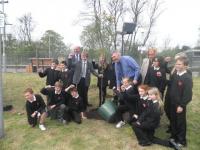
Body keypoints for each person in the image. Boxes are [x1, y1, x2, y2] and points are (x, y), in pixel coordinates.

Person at [169, 56, 193, 148]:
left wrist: (182, 105)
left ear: (185, 66)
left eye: (179, 64)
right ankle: (174, 137)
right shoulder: (175, 75)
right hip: (172, 103)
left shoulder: (187, 78)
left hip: (180, 105)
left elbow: (188, 95)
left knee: (180, 123)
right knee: (173, 121)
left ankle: (182, 141)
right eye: (176, 63)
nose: (177, 65)